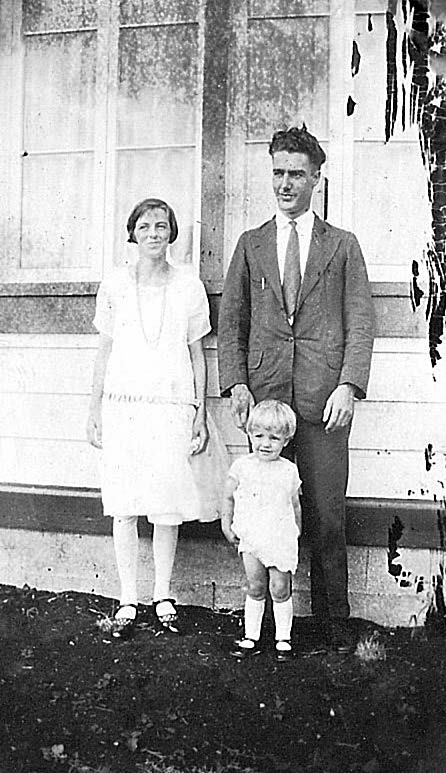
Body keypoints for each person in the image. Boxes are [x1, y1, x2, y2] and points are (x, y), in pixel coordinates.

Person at [218, 126, 374, 652]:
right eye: (278, 173)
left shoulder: (342, 246)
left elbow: (361, 321)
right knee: (264, 511)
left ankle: (333, 626)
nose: (286, 184)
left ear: (316, 180)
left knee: (327, 514)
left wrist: (349, 385)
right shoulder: (252, 243)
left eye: (297, 175)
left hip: (323, 398)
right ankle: (261, 626)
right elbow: (233, 321)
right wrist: (237, 384)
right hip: (266, 407)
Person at [87, 197, 214, 639]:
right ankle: (127, 598)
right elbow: (104, 350)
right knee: (124, 506)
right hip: (123, 407)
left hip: (171, 408)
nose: (154, 234)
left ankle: (162, 595)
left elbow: (198, 355)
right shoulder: (116, 285)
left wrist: (200, 411)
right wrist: (94, 408)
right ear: (133, 233)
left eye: (162, 226)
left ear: (172, 233)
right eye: (145, 226)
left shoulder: (188, 286)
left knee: (165, 505)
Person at [221, 400, 301, 661]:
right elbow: (228, 498)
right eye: (259, 436)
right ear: (249, 434)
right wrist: (227, 523)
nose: (265, 443)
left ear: (286, 441)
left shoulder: (288, 470)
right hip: (252, 536)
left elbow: (295, 504)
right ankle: (251, 636)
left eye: (274, 438)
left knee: (280, 587)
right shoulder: (242, 466)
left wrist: (296, 531)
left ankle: (283, 639)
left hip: (279, 538)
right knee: (255, 586)